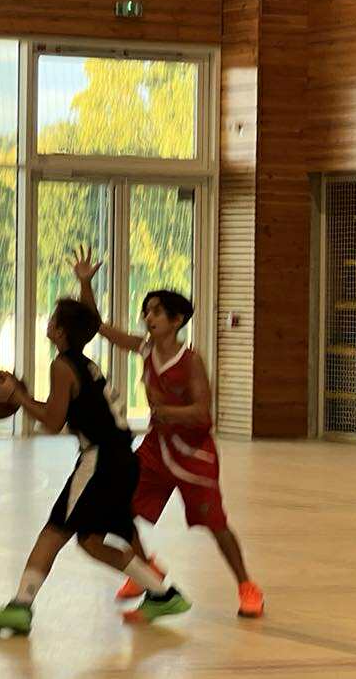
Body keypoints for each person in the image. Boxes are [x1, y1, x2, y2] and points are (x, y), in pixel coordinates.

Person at [0, 251, 191, 635]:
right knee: (90, 541)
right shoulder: (83, 363)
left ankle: (21, 607)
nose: (49, 322)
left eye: (53, 319)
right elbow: (89, 325)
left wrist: (17, 397)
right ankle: (162, 594)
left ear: (59, 332)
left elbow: (52, 422)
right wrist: (85, 283)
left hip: (101, 460)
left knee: (55, 530)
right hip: (122, 459)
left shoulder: (62, 366)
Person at [96, 262, 265, 619]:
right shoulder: (145, 350)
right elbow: (100, 328)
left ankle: (247, 585)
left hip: (194, 452)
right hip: (157, 448)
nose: (148, 317)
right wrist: (85, 284)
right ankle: (146, 570)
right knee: (119, 507)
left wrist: (168, 412)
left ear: (176, 321)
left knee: (216, 524)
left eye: (156, 312)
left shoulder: (190, 361)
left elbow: (202, 412)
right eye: (146, 311)